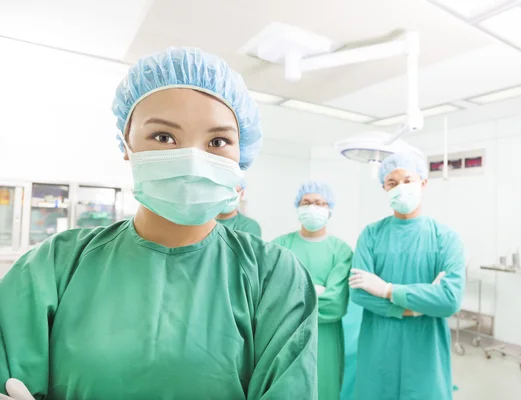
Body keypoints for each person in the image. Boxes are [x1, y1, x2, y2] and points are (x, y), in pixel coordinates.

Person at [0, 48, 318, 400]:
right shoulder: (54, 267)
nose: (193, 159)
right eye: (164, 137)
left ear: (240, 154)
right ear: (127, 142)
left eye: (218, 141)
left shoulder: (274, 277)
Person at [348, 147, 465, 400]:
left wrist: (388, 290)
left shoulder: (445, 238)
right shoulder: (371, 235)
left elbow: (449, 299)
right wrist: (414, 308)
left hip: (425, 354)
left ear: (423, 183)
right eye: (392, 182)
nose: (400, 187)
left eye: (407, 180)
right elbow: (359, 293)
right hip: (379, 351)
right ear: (384, 188)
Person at [272, 181, 353, 400]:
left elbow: (334, 305)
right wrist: (318, 291)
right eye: (306, 202)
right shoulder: (280, 246)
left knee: (324, 388)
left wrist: (294, 296)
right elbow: (271, 299)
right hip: (286, 337)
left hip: (325, 337)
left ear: (330, 209)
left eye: (319, 202)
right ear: (297, 206)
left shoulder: (341, 250)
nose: (312, 207)